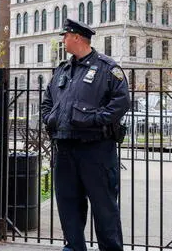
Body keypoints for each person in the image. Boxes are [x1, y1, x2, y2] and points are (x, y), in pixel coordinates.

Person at [41, 19, 130, 251]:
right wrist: (50, 119)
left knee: (104, 208)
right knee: (68, 206)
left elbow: (121, 103)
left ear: (77, 38)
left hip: (96, 149)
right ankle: (74, 248)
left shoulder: (107, 68)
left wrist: (93, 120)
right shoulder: (62, 70)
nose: (63, 40)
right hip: (64, 149)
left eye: (65, 36)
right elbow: (47, 102)